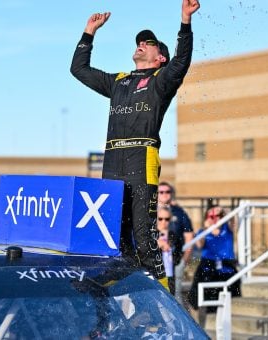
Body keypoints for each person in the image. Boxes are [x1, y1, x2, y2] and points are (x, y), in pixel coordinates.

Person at [70, 0, 200, 282]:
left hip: (142, 159)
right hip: (113, 161)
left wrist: (185, 22)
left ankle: (165, 303)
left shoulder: (161, 80)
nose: (141, 43)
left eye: (148, 42)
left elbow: (182, 62)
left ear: (159, 58)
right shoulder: (119, 81)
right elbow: (78, 69)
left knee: (144, 238)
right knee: (113, 237)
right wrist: (88, 32)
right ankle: (115, 296)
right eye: (140, 41)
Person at [187, 203, 241, 327]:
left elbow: (234, 220)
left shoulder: (227, 229)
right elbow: (199, 245)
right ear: (206, 218)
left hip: (226, 266)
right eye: (211, 216)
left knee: (227, 298)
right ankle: (201, 326)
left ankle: (224, 324)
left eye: (218, 216)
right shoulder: (203, 231)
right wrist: (206, 230)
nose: (215, 218)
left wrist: (225, 210)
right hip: (207, 265)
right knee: (199, 298)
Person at [157, 182, 194, 298]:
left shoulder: (179, 212)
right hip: (155, 262)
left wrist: (184, 261)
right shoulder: (148, 211)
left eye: (167, 192)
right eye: (161, 192)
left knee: (175, 296)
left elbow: (189, 236)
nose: (164, 194)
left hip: (174, 261)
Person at [156, 206, 177, 295]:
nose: (163, 222)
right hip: (156, 275)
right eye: (160, 219)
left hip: (169, 276)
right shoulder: (151, 235)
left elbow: (178, 255)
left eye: (167, 219)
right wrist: (157, 244)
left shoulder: (173, 236)